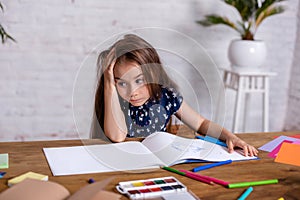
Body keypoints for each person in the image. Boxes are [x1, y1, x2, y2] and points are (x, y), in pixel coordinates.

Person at [92, 34, 258, 157]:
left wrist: (231, 137)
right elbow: (117, 136)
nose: (132, 92)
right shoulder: (118, 101)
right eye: (121, 83)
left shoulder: (167, 96)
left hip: (160, 165)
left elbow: (201, 124)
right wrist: (109, 86)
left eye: (139, 81)